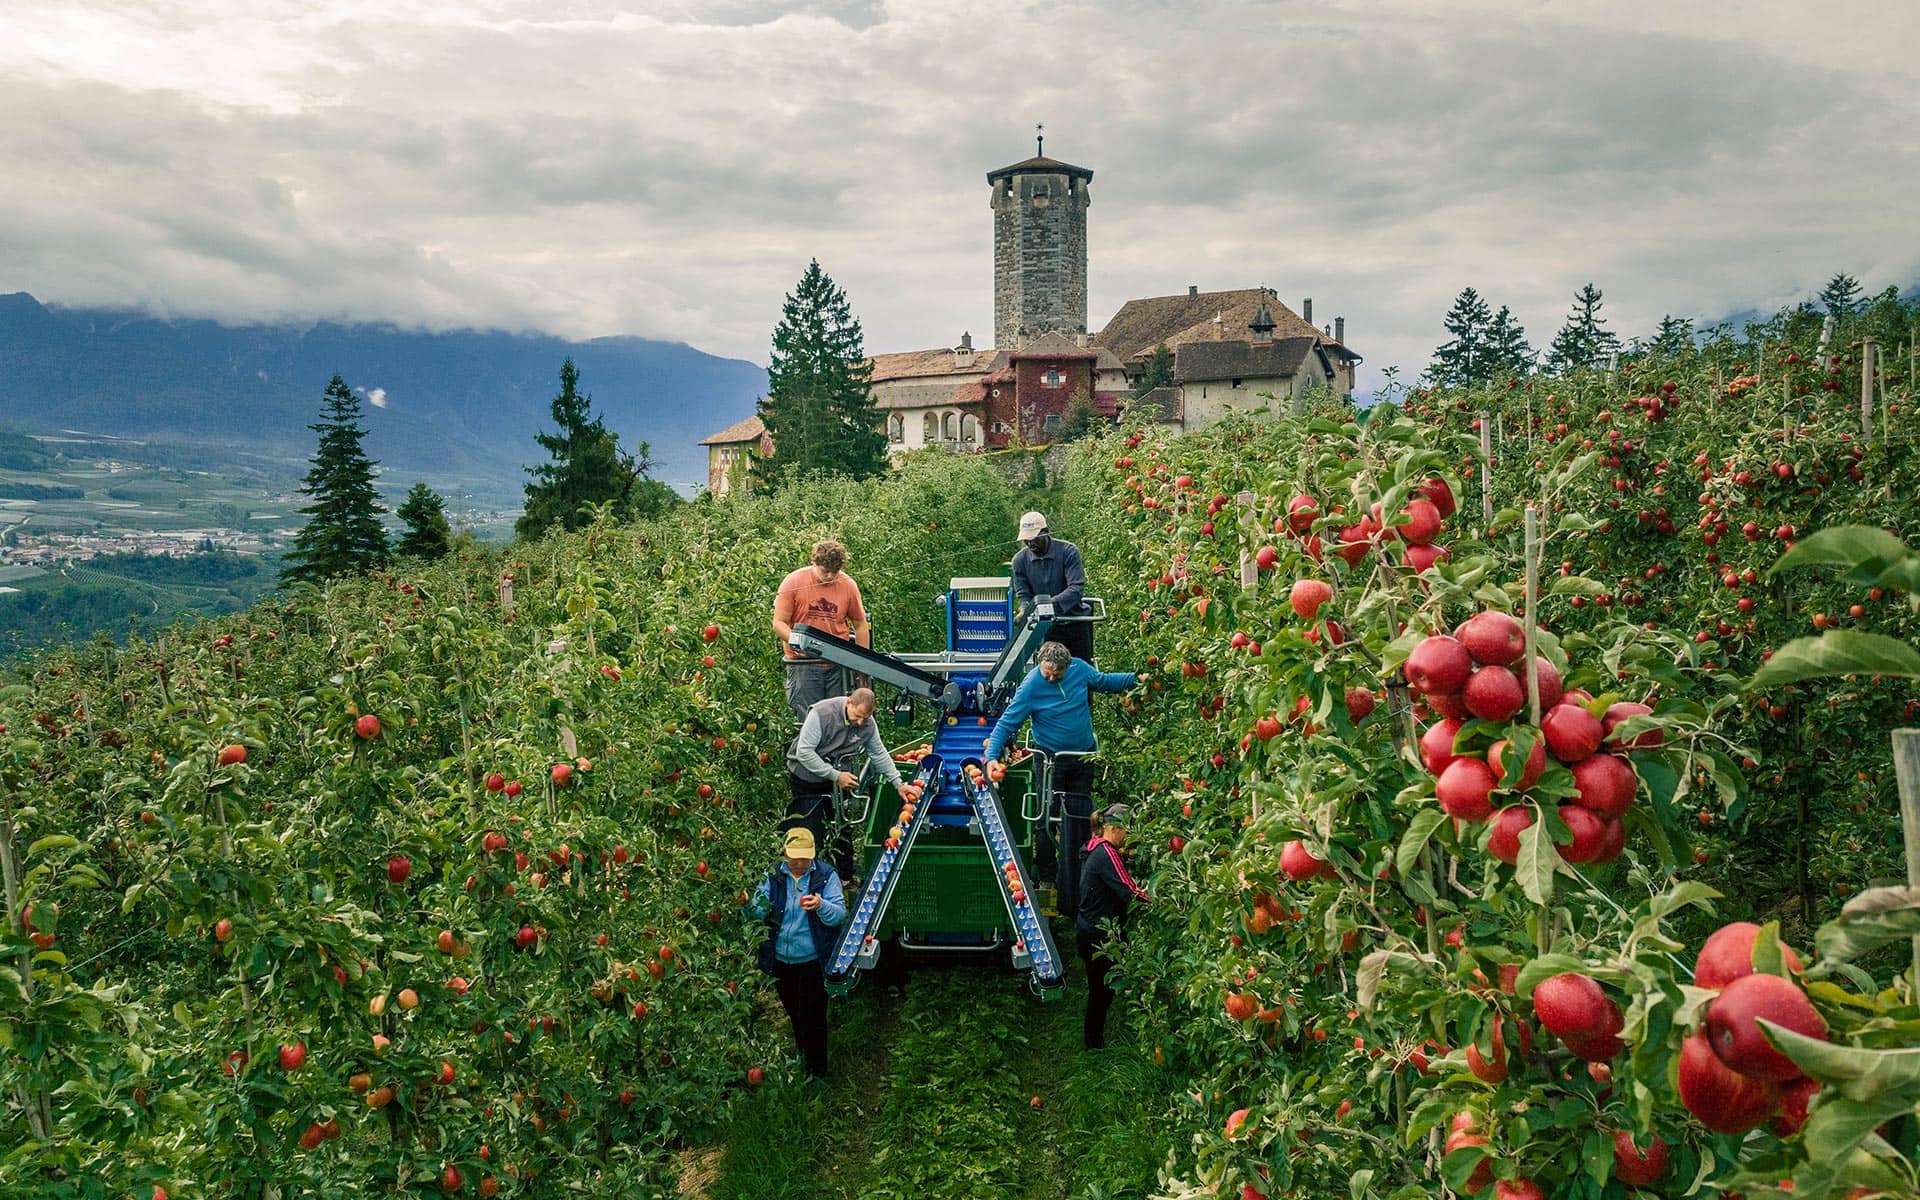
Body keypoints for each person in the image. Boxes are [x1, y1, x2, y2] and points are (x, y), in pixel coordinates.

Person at [982, 640, 1137, 918]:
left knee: (1081, 815)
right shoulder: (1031, 686)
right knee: (1045, 818)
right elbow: (1007, 722)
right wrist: (991, 756)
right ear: (1040, 665)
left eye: (1058, 674)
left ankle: (1080, 873)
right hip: (1051, 758)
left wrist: (1138, 679)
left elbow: (1104, 681)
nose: (1052, 678)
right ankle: (1048, 878)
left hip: (1082, 755)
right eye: (1047, 673)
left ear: (1068, 667)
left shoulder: (1080, 670)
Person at [745, 828, 847, 1082]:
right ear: (784, 853)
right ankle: (805, 1058)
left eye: (805, 858)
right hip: (781, 960)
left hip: (813, 960)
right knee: (794, 1012)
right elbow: (756, 912)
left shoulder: (825, 876)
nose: (800, 863)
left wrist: (821, 905)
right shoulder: (772, 875)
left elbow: (839, 914)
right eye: (795, 857)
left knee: (813, 1016)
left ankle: (818, 1073)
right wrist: (748, 902)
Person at [786, 687, 908, 883]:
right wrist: (835, 775)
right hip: (807, 778)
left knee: (843, 826)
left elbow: (878, 753)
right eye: (857, 716)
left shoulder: (867, 723)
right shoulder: (822, 713)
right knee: (810, 830)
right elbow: (804, 752)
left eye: (865, 718)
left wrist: (898, 783)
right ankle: (811, 881)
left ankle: (846, 878)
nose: (859, 722)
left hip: (836, 780)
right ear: (848, 703)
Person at [1077, 803, 1150, 1050]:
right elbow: (1130, 891)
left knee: (1101, 990)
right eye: (1128, 830)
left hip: (1089, 930)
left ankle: (1094, 1041)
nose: (1129, 837)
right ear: (1116, 828)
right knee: (1102, 991)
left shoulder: (1094, 849)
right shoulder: (1107, 853)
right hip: (1099, 935)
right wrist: (1162, 902)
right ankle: (1093, 1045)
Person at [773, 539, 869, 723]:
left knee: (839, 718)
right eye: (826, 571)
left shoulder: (848, 585)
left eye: (836, 571)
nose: (831, 576)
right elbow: (779, 622)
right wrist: (796, 641)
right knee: (808, 719)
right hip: (804, 664)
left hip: (836, 664)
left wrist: (861, 663)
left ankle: (837, 752)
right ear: (814, 563)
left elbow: (859, 623)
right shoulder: (794, 582)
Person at [1011, 511, 1095, 663]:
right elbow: (1024, 595)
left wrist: (1046, 605)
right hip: (1047, 627)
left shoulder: (1068, 552)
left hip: (1075, 621)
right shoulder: (1019, 561)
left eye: (1034, 538)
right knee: (1051, 670)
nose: (1030, 543)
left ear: (1046, 532)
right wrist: (1024, 610)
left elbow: (1075, 589)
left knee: (1080, 670)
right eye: (1026, 540)